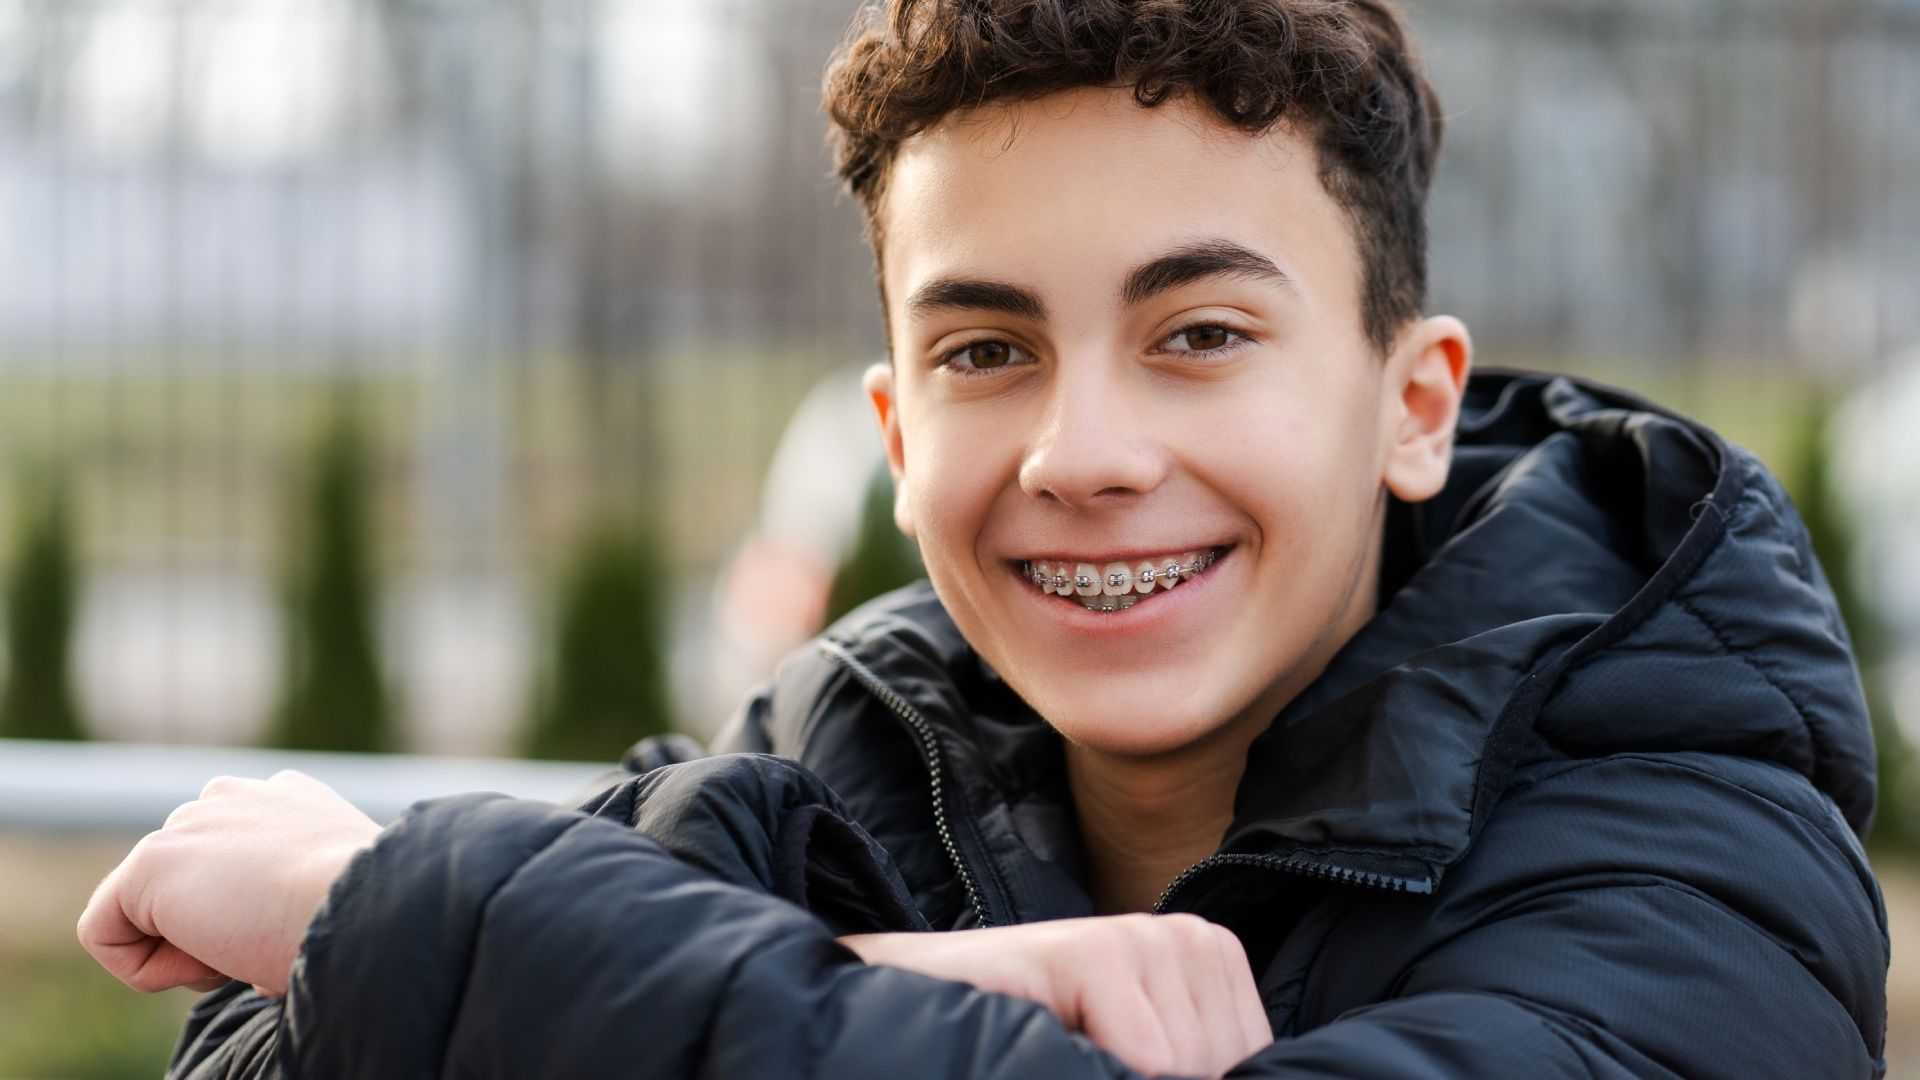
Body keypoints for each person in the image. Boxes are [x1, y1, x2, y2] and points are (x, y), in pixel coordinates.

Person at [79, 1, 1889, 1077]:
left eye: (1199, 334)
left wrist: (378, 904)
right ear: (893, 431)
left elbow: (410, 986)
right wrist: (939, 983)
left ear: (1411, 404)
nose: (1081, 452)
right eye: (986, 350)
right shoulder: (836, 748)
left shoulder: (1693, 838)